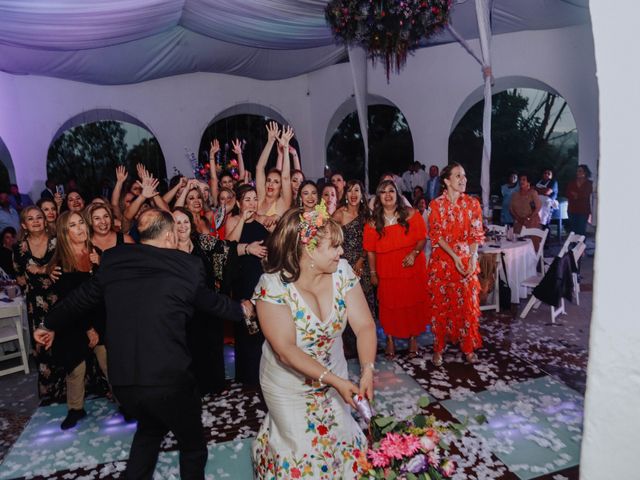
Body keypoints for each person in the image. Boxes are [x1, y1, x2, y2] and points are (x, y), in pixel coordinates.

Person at [34, 209, 255, 480]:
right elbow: (211, 303)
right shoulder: (187, 266)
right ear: (169, 235)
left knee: (149, 432)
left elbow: (79, 299)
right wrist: (243, 311)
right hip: (169, 382)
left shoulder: (114, 260)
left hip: (125, 383)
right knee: (193, 447)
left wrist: (47, 324)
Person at [251, 205, 376, 479]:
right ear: (309, 249)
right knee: (301, 450)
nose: (341, 253)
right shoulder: (272, 286)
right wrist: (334, 381)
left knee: (340, 440)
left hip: (336, 376)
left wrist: (367, 369)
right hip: (288, 384)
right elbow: (285, 351)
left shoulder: (342, 272)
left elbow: (365, 325)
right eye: (334, 247)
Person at [173, 207, 267, 394]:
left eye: (185, 221)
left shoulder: (202, 241)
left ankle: (214, 386)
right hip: (183, 309)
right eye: (177, 222)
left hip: (208, 304)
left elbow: (228, 249)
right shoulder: (167, 249)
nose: (182, 226)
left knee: (211, 346)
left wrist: (248, 248)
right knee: (189, 348)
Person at [46, 211, 107, 429]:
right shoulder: (60, 265)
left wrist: (101, 264)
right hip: (75, 324)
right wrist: (88, 329)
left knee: (111, 364)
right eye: (73, 225)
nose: (80, 227)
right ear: (64, 232)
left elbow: (108, 286)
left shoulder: (96, 253)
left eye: (81, 222)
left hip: (101, 319)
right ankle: (75, 409)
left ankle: (126, 404)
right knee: (76, 368)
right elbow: (71, 303)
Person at [425, 163, 484, 366]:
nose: (463, 179)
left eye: (465, 175)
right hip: (443, 262)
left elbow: (476, 234)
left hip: (466, 262)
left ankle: (468, 348)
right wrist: (454, 257)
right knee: (442, 307)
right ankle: (438, 349)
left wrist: (473, 257)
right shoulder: (435, 205)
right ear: (447, 181)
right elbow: (436, 235)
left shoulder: (473, 204)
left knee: (467, 306)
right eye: (458, 175)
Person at [363, 180, 428, 358]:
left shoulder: (411, 214)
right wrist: (373, 273)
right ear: (378, 198)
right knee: (389, 305)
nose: (388, 195)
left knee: (412, 303)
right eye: (383, 192)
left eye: (391, 191)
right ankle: (389, 340)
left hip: (411, 268)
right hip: (387, 271)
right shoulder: (372, 223)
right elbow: (370, 252)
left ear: (397, 194)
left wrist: (414, 254)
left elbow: (422, 239)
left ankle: (413, 338)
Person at [12, 206, 60, 400]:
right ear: (24, 225)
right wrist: (43, 272)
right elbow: (21, 274)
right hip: (37, 304)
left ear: (45, 220)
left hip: (60, 299)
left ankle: (73, 390)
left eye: (39, 217)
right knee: (43, 346)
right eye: (30, 219)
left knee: (65, 342)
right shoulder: (19, 247)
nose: (36, 221)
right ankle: (50, 392)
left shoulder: (57, 242)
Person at [225, 185, 270, 386]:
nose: (252, 203)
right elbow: (228, 247)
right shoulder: (233, 221)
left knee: (262, 329)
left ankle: (263, 374)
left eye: (254, 199)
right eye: (247, 199)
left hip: (260, 281)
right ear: (238, 203)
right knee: (247, 328)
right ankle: (248, 377)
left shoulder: (262, 223)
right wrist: (243, 218)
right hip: (242, 282)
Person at [333, 180, 374, 356]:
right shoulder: (339, 214)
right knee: (347, 307)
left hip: (363, 267)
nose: (353, 194)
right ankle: (349, 349)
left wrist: (361, 260)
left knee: (365, 306)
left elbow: (372, 241)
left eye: (356, 190)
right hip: (344, 266)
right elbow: (329, 236)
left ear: (361, 194)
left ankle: (367, 347)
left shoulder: (367, 215)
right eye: (349, 191)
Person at [255, 122, 294, 229]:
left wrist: (285, 148)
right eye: (269, 180)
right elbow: (259, 168)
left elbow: (285, 177)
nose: (271, 184)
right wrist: (270, 141)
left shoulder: (283, 202)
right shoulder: (261, 198)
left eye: (276, 182)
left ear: (281, 187)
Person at [566, 164, 593, 236]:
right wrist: (577, 195)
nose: (578, 173)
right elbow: (568, 194)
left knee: (581, 230)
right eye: (577, 171)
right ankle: (573, 246)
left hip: (583, 210)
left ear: (585, 173)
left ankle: (581, 247)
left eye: (580, 171)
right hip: (572, 210)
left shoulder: (589, 183)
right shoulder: (572, 182)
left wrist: (576, 195)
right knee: (573, 231)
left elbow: (585, 194)